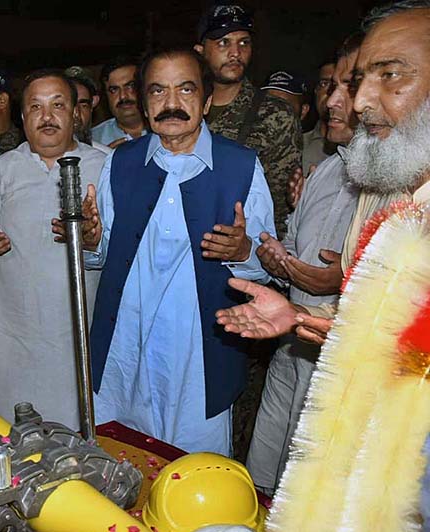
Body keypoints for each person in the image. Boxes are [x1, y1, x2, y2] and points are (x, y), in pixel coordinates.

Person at [214, 0, 430, 521]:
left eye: (391, 75)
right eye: (358, 81)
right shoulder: (402, 197)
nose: (359, 103)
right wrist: (304, 317)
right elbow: (406, 344)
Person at [85, 47, 275, 455]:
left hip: (198, 359)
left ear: (206, 100)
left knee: (195, 481)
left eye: (185, 90)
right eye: (157, 91)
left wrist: (243, 250)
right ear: (144, 101)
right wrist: (88, 241)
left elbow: (266, 266)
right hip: (124, 353)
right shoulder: (119, 163)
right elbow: (100, 253)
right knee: (119, 468)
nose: (171, 104)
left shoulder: (241, 166)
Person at [244, 32, 363, 495]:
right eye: (325, 86)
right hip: (290, 346)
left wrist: (344, 279)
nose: (330, 100)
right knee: (265, 470)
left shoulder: (399, 180)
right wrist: (273, 258)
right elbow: (290, 253)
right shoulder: (323, 171)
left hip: (339, 358)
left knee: (311, 486)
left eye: (345, 88)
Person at [0, 70, 105, 428]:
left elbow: (117, 248)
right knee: (7, 441)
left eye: (57, 105)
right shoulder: (3, 168)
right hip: (11, 336)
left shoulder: (105, 167)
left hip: (77, 333)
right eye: (35, 107)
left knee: (76, 440)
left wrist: (91, 239)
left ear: (75, 113)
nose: (47, 117)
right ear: (22, 117)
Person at [195, 4, 302, 238]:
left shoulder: (274, 115)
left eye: (244, 42)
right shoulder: (183, 111)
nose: (235, 53)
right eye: (223, 42)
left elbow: (279, 207)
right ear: (200, 50)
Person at [90, 56, 147, 147]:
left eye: (130, 86)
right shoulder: (93, 141)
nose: (123, 96)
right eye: (114, 90)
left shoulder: (168, 130)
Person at [64, 65, 111, 154]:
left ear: (94, 103)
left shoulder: (106, 157)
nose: (76, 113)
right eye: (69, 104)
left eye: (83, 105)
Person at [302, 60, 336, 174]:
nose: (331, 93)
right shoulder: (296, 146)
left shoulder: (363, 150)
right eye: (324, 84)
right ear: (316, 90)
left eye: (337, 85)